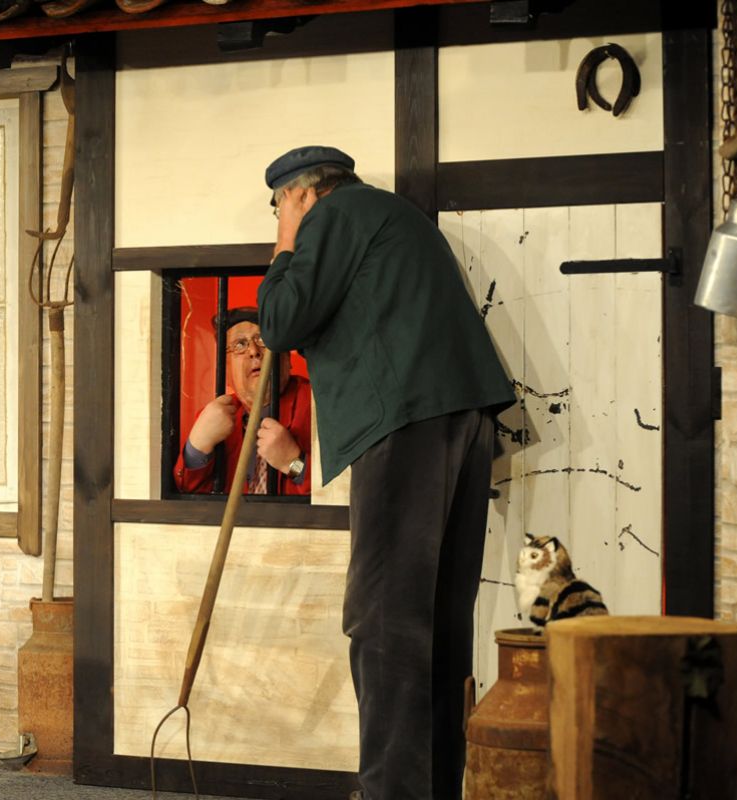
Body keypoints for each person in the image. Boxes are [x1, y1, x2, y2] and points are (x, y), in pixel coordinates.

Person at [256, 146, 515, 800]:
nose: (280, 217)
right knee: (437, 621)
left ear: (301, 194)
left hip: (407, 423)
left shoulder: (334, 215)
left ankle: (392, 793)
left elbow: (280, 320)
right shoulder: (391, 217)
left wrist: (286, 243)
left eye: (279, 205)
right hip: (459, 418)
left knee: (383, 620)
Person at [174, 307, 311, 496]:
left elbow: (343, 490)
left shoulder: (316, 405)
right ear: (226, 368)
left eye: (263, 340)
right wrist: (196, 448)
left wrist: (293, 463)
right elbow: (189, 496)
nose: (254, 351)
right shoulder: (216, 414)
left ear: (288, 358)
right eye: (239, 345)